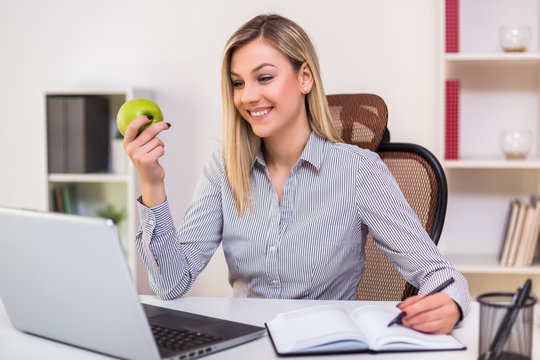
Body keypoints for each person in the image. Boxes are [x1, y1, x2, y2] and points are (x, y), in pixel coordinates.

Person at [123, 13, 471, 335]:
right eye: (237, 83)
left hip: (324, 346)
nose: (248, 96)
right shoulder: (223, 170)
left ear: (305, 77)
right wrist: (152, 183)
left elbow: (441, 276)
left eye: (264, 77)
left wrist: (451, 305)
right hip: (248, 345)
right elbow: (169, 283)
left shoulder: (358, 171)